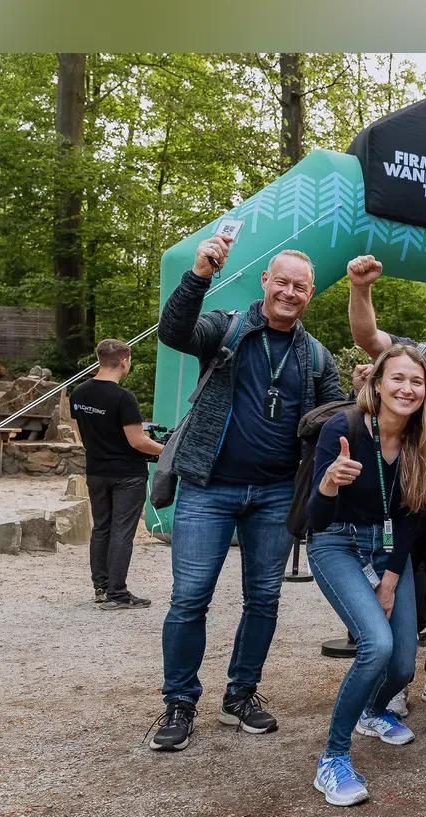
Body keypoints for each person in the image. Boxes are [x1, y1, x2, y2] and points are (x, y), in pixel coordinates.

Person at [149, 240, 344, 752]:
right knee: (190, 598)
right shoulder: (226, 326)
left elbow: (335, 420)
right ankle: (179, 703)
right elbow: (174, 333)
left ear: (310, 293)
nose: (290, 292)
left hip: (276, 493)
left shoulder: (316, 355)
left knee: (264, 599)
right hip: (208, 487)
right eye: (282, 281)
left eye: (300, 286)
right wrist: (197, 275)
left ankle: (241, 695)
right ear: (265, 282)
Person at [306, 345, 426, 805]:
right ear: (377, 384)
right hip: (335, 542)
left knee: (402, 662)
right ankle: (333, 759)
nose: (406, 389)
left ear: (425, 392)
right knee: (376, 645)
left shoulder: (420, 442)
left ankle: (373, 710)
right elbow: (314, 518)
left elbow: (410, 518)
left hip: (385, 549)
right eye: (397, 378)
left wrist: (392, 579)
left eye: (416, 382)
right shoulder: (342, 429)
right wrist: (327, 483)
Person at [347, 255, 426, 717]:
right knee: (396, 585)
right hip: (400, 494)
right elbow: (368, 338)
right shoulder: (415, 357)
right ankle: (394, 681)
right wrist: (360, 288)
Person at [70, 338, 163, 610]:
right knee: (122, 531)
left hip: (97, 471)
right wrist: (168, 450)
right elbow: (138, 441)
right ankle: (118, 593)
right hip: (127, 473)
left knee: (102, 528)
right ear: (124, 361)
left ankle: (101, 587)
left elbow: (80, 436)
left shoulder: (79, 394)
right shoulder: (123, 398)